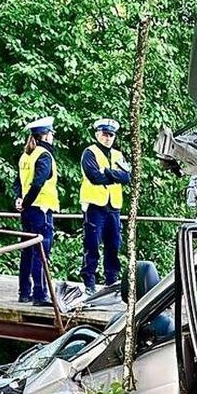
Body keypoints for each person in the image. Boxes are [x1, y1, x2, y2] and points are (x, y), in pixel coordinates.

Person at [79, 117, 131, 297]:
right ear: (97, 134)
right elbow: (94, 177)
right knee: (92, 244)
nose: (108, 138)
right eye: (104, 134)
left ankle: (112, 281)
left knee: (114, 244)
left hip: (114, 207)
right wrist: (114, 175)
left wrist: (108, 172)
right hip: (95, 205)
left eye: (111, 135)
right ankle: (89, 281)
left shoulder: (118, 154)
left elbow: (127, 177)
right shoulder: (90, 152)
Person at [13, 117, 59, 305]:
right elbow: (38, 183)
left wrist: (20, 199)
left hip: (28, 211)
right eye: (51, 134)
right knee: (41, 252)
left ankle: (24, 292)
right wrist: (26, 201)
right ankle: (40, 295)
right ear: (46, 136)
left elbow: (18, 182)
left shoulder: (26, 155)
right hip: (41, 208)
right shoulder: (44, 155)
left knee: (26, 251)